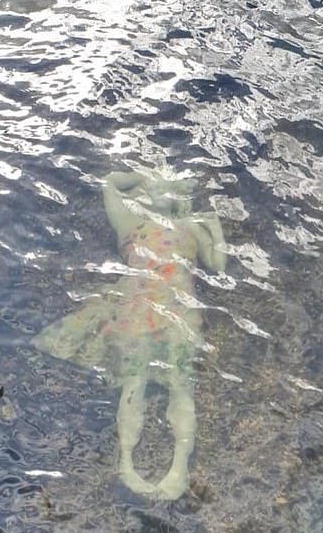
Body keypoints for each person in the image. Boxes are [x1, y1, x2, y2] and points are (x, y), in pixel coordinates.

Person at [33, 167, 227, 499]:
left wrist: (215, 228)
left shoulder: (190, 226)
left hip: (180, 314)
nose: (161, 187)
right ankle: (127, 462)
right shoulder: (132, 226)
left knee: (182, 386)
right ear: (145, 194)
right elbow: (109, 183)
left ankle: (179, 467)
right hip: (138, 313)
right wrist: (138, 178)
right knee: (133, 383)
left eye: (167, 183)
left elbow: (219, 265)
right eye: (154, 184)